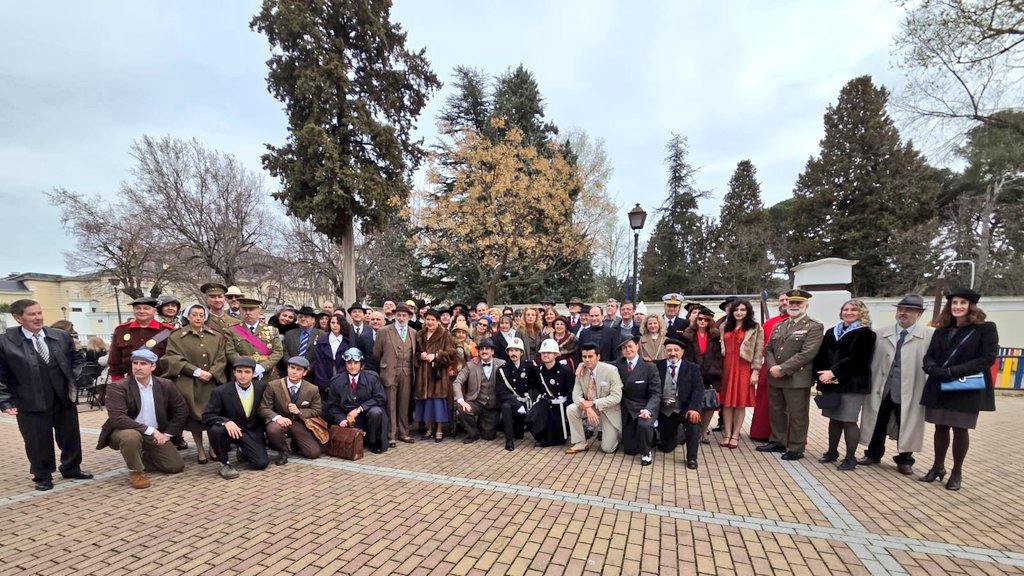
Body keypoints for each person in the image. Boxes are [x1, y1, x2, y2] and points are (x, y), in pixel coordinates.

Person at [0, 299, 91, 491]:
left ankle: (71, 467)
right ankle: (42, 475)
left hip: (63, 396)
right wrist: (5, 401)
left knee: (70, 435)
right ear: (18, 318)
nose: (38, 317)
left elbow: (77, 359)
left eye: (39, 312)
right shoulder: (5, 342)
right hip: (29, 400)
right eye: (32, 314)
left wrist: (74, 379)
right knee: (37, 439)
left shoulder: (59, 335)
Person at [918, 288, 998, 491]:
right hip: (940, 384)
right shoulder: (942, 329)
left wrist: (953, 371)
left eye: (962, 303)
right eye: (954, 303)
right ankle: (937, 467)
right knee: (940, 427)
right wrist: (930, 367)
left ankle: (956, 472)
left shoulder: (985, 328)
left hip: (966, 386)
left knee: (960, 429)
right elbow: (930, 355)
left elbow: (987, 359)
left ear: (971, 306)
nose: (957, 307)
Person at [859, 294, 934, 475]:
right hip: (883, 387)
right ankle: (873, 453)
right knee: (878, 420)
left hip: (909, 389)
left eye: (908, 310)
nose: (903, 313)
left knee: (906, 423)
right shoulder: (880, 333)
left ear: (919, 313)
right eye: (900, 309)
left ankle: (905, 459)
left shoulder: (929, 336)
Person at [96, 348, 187, 488]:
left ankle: (142, 455)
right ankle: (135, 471)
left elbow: (181, 410)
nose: (138, 367)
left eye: (143, 364)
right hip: (124, 431)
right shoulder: (118, 387)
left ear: (153, 366)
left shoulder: (165, 385)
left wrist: (167, 434)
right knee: (131, 436)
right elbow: (118, 418)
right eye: (135, 363)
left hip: (154, 433)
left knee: (175, 466)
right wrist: (150, 430)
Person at [757, 289, 824, 461]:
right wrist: (772, 367)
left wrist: (783, 368)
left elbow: (807, 353)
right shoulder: (780, 325)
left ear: (806, 305)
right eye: (791, 302)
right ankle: (778, 441)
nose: (793, 306)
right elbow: (769, 348)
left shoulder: (814, 326)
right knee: (777, 411)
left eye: (798, 303)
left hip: (796, 378)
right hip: (775, 375)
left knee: (797, 415)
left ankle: (796, 447)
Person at [160, 303, 228, 464]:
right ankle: (200, 449)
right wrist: (195, 371)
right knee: (195, 419)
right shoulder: (177, 336)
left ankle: (213, 447)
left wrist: (212, 372)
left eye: (201, 315)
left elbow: (221, 358)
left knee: (212, 416)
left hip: (212, 382)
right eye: (194, 314)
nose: (198, 318)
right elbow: (172, 358)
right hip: (189, 383)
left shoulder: (216, 336)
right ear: (187, 316)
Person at [813, 300, 877, 470]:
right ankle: (832, 452)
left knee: (848, 420)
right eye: (845, 309)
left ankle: (850, 457)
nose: (849, 312)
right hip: (830, 383)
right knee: (834, 419)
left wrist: (833, 372)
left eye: (853, 310)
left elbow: (859, 359)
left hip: (853, 384)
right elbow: (821, 356)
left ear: (861, 312)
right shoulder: (831, 332)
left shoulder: (866, 334)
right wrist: (820, 375)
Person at [202, 357, 270, 479]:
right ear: (234, 372)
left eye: (247, 372)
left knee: (261, 463)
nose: (243, 375)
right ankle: (224, 463)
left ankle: (243, 450)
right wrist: (226, 422)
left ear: (254, 374)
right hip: (231, 431)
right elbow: (207, 416)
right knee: (217, 429)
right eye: (239, 371)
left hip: (252, 431)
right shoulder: (220, 391)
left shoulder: (262, 387)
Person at [259, 356, 323, 464]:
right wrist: (277, 418)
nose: (294, 372)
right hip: (280, 422)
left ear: (304, 372)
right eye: (292, 368)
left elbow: (317, 410)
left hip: (299, 423)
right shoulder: (273, 385)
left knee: (313, 453)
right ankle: (283, 451)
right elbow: (264, 408)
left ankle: (296, 443)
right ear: (288, 368)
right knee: (273, 429)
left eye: (298, 370)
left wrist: (300, 412)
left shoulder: (312, 389)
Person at [325, 347, 389, 454]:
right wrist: (340, 419)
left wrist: (360, 409)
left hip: (366, 416)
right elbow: (332, 405)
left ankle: (374, 442)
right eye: (349, 363)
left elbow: (380, 398)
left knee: (376, 412)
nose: (352, 366)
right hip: (347, 417)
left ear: (361, 364)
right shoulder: (336, 381)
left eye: (356, 362)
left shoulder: (372, 378)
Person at [719, 299, 763, 449]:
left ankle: (735, 434)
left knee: (739, 403)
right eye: (736, 309)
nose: (739, 312)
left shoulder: (755, 328)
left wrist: (756, 371)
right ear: (731, 311)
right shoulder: (725, 326)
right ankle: (727, 433)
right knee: (726, 402)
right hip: (727, 366)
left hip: (744, 366)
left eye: (743, 310)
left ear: (748, 311)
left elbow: (758, 351)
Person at [565, 342, 623, 455]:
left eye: (590, 356)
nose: (587, 360)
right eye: (584, 357)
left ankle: (616, 435)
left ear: (598, 357)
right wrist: (587, 408)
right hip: (591, 407)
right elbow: (575, 395)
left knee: (608, 449)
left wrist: (592, 403)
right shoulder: (581, 371)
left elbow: (616, 397)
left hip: (608, 409)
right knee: (571, 409)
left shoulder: (611, 370)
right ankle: (580, 442)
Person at [655, 338, 704, 469]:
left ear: (682, 352)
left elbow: (699, 390)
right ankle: (681, 434)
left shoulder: (692, 368)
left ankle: (692, 458)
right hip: (664, 411)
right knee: (665, 448)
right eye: (669, 350)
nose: (672, 353)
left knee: (694, 421)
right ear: (664, 352)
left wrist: (694, 408)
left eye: (676, 350)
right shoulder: (656, 366)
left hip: (683, 409)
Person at [374, 302, 417, 445]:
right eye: (398, 315)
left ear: (409, 317)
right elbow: (376, 353)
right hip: (390, 372)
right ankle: (391, 435)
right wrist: (386, 365)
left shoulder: (413, 333)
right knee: (390, 405)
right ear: (394, 315)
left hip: (407, 372)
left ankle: (404, 433)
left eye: (404, 315)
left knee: (404, 404)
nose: (401, 318)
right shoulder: (384, 331)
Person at [614, 335, 661, 466]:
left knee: (644, 424)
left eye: (630, 346)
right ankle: (650, 437)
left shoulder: (649, 367)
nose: (627, 350)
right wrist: (583, 364)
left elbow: (656, 393)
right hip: (628, 409)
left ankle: (647, 453)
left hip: (644, 406)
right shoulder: (619, 364)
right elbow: (601, 364)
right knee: (630, 449)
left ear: (637, 347)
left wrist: (648, 409)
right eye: (624, 348)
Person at [108, 296, 175, 385]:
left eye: (146, 308)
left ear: (154, 311)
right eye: (137, 308)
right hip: (131, 383)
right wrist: (117, 384)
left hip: (161, 383)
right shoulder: (121, 330)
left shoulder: (168, 332)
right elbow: (114, 360)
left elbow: (174, 360)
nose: (141, 311)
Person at [750, 293, 790, 442]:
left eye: (788, 300)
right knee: (766, 403)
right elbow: (763, 347)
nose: (785, 303)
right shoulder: (769, 323)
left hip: (791, 370)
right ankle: (762, 433)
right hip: (769, 368)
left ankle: (789, 437)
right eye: (782, 300)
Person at [681, 307, 723, 442]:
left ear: (710, 321)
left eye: (706, 319)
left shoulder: (715, 336)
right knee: (693, 402)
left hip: (710, 374)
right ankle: (692, 431)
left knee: (709, 404)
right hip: (693, 373)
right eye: (700, 319)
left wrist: (712, 371)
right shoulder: (688, 335)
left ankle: (703, 432)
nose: (702, 321)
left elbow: (718, 356)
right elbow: (685, 355)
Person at [453, 338, 504, 445]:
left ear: (492, 351)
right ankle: (473, 434)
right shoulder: (471, 365)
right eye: (481, 349)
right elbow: (457, 382)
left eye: (487, 349)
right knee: (462, 409)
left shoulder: (501, 364)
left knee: (489, 436)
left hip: (493, 404)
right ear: (478, 351)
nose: (484, 351)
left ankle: (483, 423)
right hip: (476, 401)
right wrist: (461, 400)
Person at [415, 310, 456, 442]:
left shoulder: (445, 334)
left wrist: (437, 356)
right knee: (426, 402)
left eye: (433, 320)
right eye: (428, 319)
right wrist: (419, 356)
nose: (430, 322)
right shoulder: (420, 334)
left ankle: (439, 429)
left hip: (437, 374)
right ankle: (429, 428)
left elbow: (452, 354)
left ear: (438, 321)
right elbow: (414, 353)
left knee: (437, 402)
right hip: (423, 373)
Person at [496, 337, 540, 450]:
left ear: (521, 353)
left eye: (516, 350)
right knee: (505, 406)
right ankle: (509, 440)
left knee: (519, 434)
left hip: (525, 404)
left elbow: (537, 383)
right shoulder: (502, 370)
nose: (513, 353)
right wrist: (517, 403)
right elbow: (501, 393)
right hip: (512, 404)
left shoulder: (529, 366)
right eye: (511, 350)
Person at [225, 298, 284, 383]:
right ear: (240, 310)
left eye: (251, 309)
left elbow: (278, 352)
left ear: (259, 311)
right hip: (242, 374)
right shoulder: (232, 331)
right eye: (244, 309)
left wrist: (262, 367)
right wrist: (246, 368)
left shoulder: (272, 330)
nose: (248, 313)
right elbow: (230, 352)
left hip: (266, 373)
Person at [531, 339, 574, 447]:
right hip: (546, 403)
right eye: (543, 353)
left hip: (560, 406)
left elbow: (570, 391)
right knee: (532, 416)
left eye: (549, 352)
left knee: (559, 438)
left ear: (555, 354)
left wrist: (567, 412)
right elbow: (538, 388)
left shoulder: (565, 370)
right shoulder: (538, 370)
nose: (545, 355)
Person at [313, 314, 356, 400]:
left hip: (343, 380)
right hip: (324, 381)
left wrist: (340, 380)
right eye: (332, 322)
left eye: (338, 323)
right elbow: (319, 363)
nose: (335, 325)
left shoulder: (348, 342)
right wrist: (324, 383)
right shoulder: (321, 341)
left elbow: (348, 363)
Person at [281, 306, 324, 381]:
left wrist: (309, 368)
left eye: (306, 316)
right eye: (300, 317)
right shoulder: (289, 334)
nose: (303, 319)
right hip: (291, 374)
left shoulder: (322, 335)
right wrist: (292, 366)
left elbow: (322, 355)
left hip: (312, 376)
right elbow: (285, 351)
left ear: (313, 320)